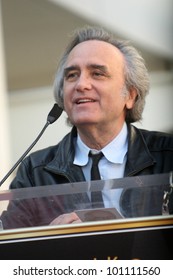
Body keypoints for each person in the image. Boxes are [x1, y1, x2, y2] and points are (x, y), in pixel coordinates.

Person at [1, 26, 173, 229]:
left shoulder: (168, 154)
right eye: (72, 75)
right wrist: (46, 240)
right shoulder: (34, 171)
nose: (81, 84)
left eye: (97, 73)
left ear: (130, 95)